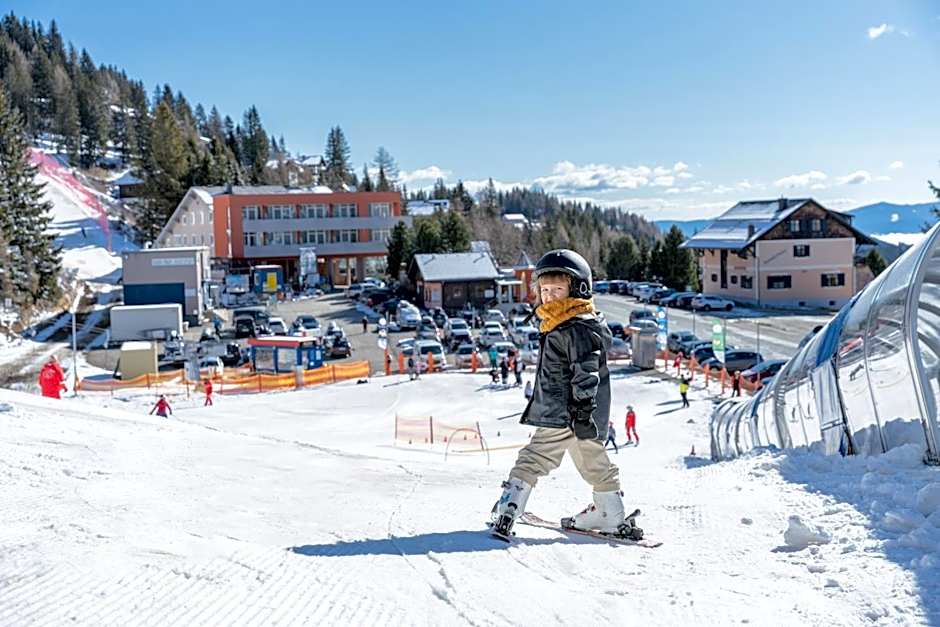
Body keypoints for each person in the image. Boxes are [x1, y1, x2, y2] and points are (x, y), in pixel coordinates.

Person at [491, 249, 623, 537]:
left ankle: (509, 507)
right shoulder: (561, 322)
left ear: (578, 289)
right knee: (594, 461)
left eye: (558, 289)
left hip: (568, 410)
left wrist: (583, 410)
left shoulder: (577, 326)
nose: (549, 295)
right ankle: (610, 512)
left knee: (534, 457)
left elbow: (586, 371)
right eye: (545, 289)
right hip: (578, 412)